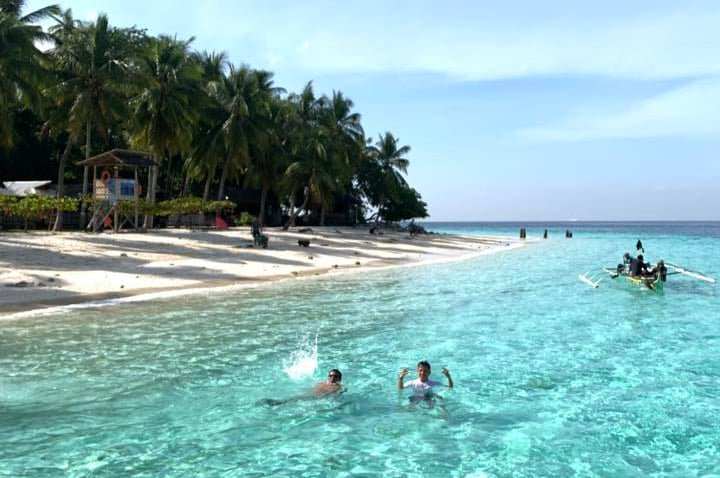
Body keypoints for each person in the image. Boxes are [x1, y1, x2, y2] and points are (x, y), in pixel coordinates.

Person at [260, 369, 343, 406]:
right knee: (297, 397)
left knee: (297, 399)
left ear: (339, 378)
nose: (332, 377)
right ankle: (279, 402)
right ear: (328, 376)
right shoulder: (321, 383)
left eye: (335, 376)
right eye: (330, 375)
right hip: (310, 394)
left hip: (315, 397)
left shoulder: (337, 387)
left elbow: (335, 396)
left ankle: (279, 403)